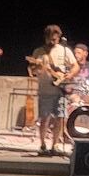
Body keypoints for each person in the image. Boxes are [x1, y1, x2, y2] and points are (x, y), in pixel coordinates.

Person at [27, 24, 78, 156]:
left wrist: (69, 75)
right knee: (45, 118)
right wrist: (38, 68)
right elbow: (32, 71)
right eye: (50, 39)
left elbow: (75, 66)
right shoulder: (38, 52)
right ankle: (43, 145)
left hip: (60, 91)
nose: (52, 42)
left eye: (55, 39)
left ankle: (55, 145)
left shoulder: (65, 51)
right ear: (45, 37)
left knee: (60, 118)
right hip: (45, 90)